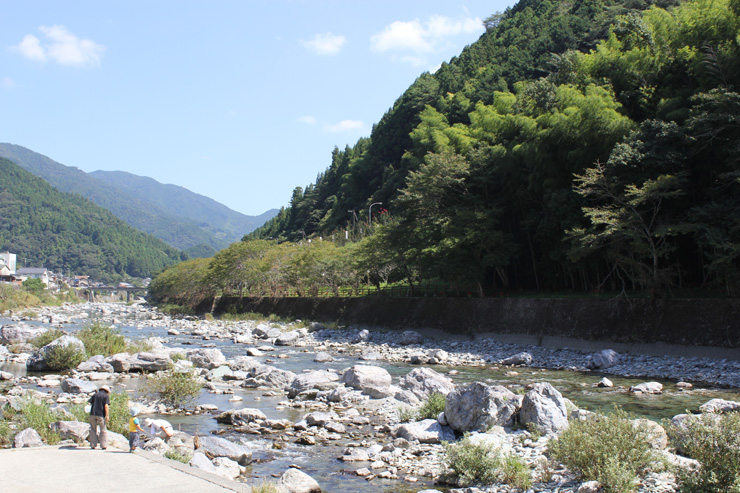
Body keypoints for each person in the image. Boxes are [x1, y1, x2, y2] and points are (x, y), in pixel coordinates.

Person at [88, 385, 110, 449]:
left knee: (93, 429)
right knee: (103, 430)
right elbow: (106, 406)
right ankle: (103, 445)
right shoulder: (106, 396)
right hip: (101, 415)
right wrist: (107, 416)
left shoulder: (95, 395)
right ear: (106, 391)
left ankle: (93, 445)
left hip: (92, 414)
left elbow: (89, 403)